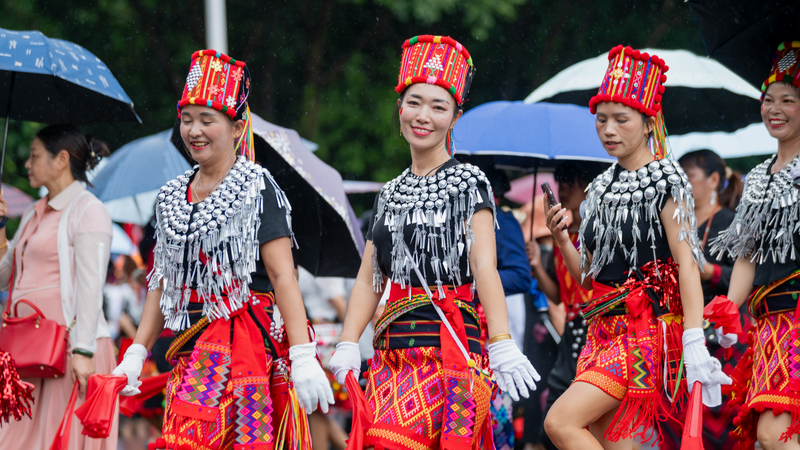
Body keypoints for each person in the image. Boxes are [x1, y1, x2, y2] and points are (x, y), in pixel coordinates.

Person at [111, 50, 333, 450]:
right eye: (187, 119)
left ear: (236, 127)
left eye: (207, 120)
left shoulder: (257, 188)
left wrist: (302, 354)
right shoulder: (170, 198)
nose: (194, 130)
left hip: (246, 347)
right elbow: (162, 285)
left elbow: (284, 276)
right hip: (188, 348)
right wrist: (135, 353)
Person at [328, 35, 539, 450]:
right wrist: (349, 341)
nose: (423, 116)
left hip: (450, 351)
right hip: (392, 354)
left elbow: (484, 267)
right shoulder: (389, 193)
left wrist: (501, 341)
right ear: (400, 107)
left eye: (438, 106)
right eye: (414, 102)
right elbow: (370, 276)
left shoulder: (469, 182)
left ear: (455, 118)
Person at [542, 45, 730, 449]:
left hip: (643, 334)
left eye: (621, 120)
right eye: (602, 119)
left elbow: (686, 263)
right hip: (600, 332)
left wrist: (694, 337)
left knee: (560, 422)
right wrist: (561, 238)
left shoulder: (668, 181)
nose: (608, 129)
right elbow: (587, 277)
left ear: (648, 123)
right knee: (615, 443)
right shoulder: (598, 190)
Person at [0, 125, 114, 450]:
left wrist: (83, 350)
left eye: (34, 156)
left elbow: (91, 286)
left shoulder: (88, 209)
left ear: (61, 159)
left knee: (58, 440)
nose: (27, 164)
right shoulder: (34, 213)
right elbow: (5, 277)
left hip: (70, 349)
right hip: (27, 350)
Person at [712, 41, 800, 450]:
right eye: (768, 99)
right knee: (772, 438)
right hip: (768, 326)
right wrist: (730, 308)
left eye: (788, 99)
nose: (774, 108)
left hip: (796, 320)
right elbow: (746, 255)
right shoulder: (758, 177)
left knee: (774, 435)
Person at [654, 149, 744, 450]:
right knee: (676, 413)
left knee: (720, 416)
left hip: (722, 334)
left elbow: (747, 275)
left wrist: (709, 271)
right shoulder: (675, 220)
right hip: (682, 331)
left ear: (714, 179)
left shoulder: (731, 221)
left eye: (689, 176)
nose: (682, 183)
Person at [530, 161, 607, 450]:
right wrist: (537, 264)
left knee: (576, 415)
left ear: (586, 188)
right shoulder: (563, 237)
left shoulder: (592, 234)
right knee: (556, 406)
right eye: (558, 185)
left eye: (568, 185)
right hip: (571, 329)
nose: (561, 191)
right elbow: (559, 295)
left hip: (593, 327)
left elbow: (590, 284)